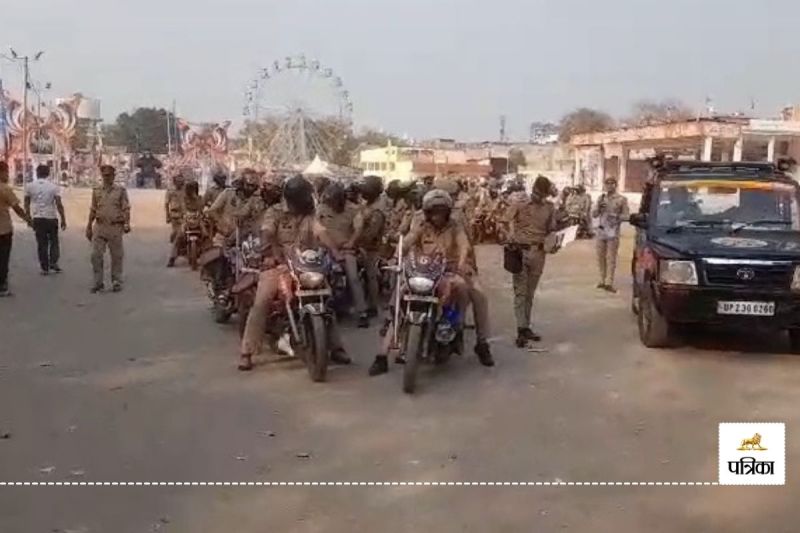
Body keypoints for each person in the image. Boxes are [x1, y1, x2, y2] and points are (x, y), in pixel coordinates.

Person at [238, 175, 346, 371]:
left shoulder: (310, 213)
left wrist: (336, 252)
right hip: (279, 265)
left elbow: (321, 232)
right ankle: (247, 352)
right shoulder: (275, 212)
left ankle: (336, 347)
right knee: (262, 301)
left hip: (306, 264)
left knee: (326, 298)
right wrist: (273, 253)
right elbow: (267, 233)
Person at [368, 189, 476, 376]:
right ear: (427, 212)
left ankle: (454, 328)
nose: (437, 216)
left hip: (446, 271)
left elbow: (464, 244)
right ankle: (382, 355)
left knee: (460, 287)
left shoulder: (455, 226)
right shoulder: (421, 225)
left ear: (447, 212)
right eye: (434, 212)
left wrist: (461, 263)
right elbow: (408, 240)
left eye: (441, 212)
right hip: (421, 271)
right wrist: (396, 256)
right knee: (401, 298)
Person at [507, 175, 557, 347]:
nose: (538, 196)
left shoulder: (549, 208)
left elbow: (551, 230)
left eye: (541, 194)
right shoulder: (519, 204)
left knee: (530, 293)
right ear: (533, 189)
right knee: (520, 292)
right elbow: (504, 221)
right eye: (536, 192)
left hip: (539, 253)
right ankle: (520, 329)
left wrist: (554, 243)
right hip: (520, 252)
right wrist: (510, 234)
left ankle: (526, 326)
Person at [317, 181, 370, 328]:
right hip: (324, 250)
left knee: (353, 277)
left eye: (334, 200)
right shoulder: (321, 208)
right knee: (314, 276)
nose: (332, 203)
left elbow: (358, 227)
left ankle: (362, 312)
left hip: (344, 250)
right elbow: (315, 227)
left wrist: (352, 242)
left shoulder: (353, 209)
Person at [86, 165, 131, 293]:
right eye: (105, 175)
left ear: (113, 176)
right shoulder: (96, 191)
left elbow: (126, 208)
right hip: (100, 225)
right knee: (96, 255)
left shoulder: (120, 191)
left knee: (116, 255)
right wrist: (89, 226)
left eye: (109, 175)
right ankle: (98, 282)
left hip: (115, 226)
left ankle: (116, 281)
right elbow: (93, 209)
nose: (107, 178)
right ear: (102, 176)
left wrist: (127, 223)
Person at [24, 165, 67, 274]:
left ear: (37, 173)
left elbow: (26, 203)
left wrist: (28, 217)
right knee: (54, 241)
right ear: (48, 173)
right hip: (51, 217)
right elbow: (58, 204)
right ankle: (53, 262)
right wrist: (63, 218)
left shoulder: (29, 186)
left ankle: (44, 267)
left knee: (41, 243)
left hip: (38, 218)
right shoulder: (54, 187)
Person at [0, 161, 34, 296]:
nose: (8, 175)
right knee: (3, 258)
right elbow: (16, 208)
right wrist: (28, 220)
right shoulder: (5, 189)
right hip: (3, 230)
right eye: (6, 172)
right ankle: (2, 286)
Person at [356, 175, 386, 315]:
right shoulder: (367, 206)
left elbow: (371, 233)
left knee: (371, 276)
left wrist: (358, 242)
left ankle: (373, 306)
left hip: (371, 248)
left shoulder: (377, 211)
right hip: (362, 247)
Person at [593, 177, 629, 292]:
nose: (609, 186)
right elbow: (594, 214)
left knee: (611, 258)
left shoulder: (621, 199)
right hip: (601, 231)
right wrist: (599, 208)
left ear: (615, 185)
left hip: (613, 232)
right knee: (600, 257)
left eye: (611, 183)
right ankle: (602, 280)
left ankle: (609, 281)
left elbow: (627, 216)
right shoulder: (601, 198)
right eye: (607, 183)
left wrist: (616, 216)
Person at [168, 180, 205, 267]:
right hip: (186, 219)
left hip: (198, 219)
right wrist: (183, 215)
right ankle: (172, 258)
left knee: (206, 234)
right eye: (190, 189)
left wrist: (196, 198)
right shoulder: (184, 198)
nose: (192, 191)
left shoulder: (199, 198)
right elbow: (183, 208)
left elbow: (201, 208)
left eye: (194, 189)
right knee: (179, 236)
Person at [165, 173, 187, 267]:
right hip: (175, 215)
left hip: (186, 216)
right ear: (174, 182)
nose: (180, 183)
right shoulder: (170, 191)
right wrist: (167, 216)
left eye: (181, 181)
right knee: (178, 236)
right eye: (178, 181)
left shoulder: (186, 190)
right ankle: (172, 257)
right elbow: (167, 203)